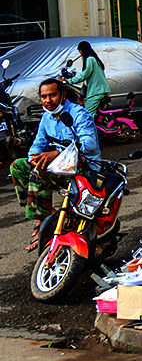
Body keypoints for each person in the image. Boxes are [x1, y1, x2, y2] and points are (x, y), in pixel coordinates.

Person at [9, 78, 101, 251]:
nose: (48, 101)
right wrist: (33, 157)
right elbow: (38, 144)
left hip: (83, 171)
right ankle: (47, 213)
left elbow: (89, 145)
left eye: (52, 95)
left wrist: (58, 153)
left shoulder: (78, 114)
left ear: (63, 95)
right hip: (60, 169)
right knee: (18, 166)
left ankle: (41, 222)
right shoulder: (46, 118)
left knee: (39, 172)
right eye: (44, 96)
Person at [68, 40, 110, 118]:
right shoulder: (95, 59)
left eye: (79, 51)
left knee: (87, 115)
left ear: (81, 51)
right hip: (101, 90)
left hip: (96, 92)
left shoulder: (90, 59)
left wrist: (69, 81)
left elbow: (85, 75)